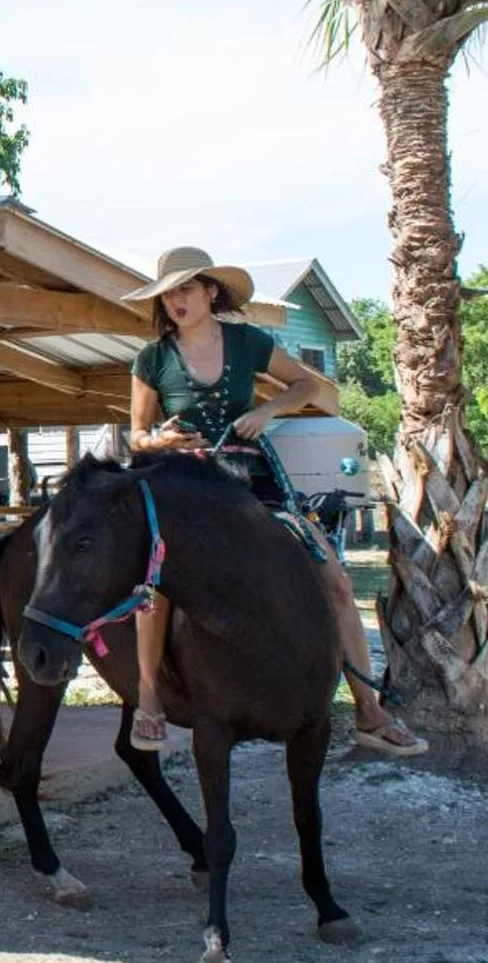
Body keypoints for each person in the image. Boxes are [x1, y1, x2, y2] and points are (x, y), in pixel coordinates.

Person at [121, 247, 428, 757]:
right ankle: (149, 700)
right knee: (155, 581)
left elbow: (308, 383)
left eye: (186, 289)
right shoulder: (151, 359)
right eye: (169, 293)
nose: (176, 300)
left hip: (250, 477)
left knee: (334, 577)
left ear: (210, 292)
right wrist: (160, 441)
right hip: (182, 483)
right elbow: (135, 436)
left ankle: (369, 712)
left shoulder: (247, 342)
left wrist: (268, 412)